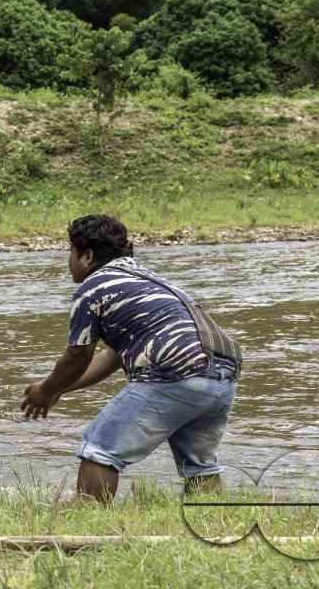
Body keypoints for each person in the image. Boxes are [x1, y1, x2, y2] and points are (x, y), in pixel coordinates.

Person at [21, 214, 238, 502]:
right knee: (198, 464)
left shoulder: (92, 288)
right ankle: (214, 520)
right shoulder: (146, 279)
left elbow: (78, 357)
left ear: (87, 256)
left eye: (70, 252)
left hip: (175, 370)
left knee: (100, 447)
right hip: (222, 371)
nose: (69, 261)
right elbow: (112, 357)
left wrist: (45, 390)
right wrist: (57, 388)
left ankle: (88, 519)